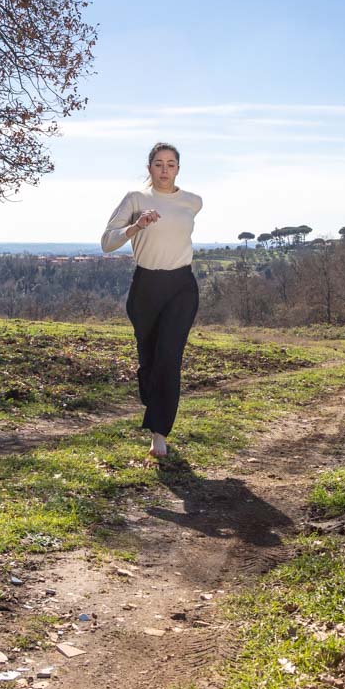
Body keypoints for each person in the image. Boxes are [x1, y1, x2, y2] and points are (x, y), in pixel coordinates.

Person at [101, 142, 202, 460]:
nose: (164, 170)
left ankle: (159, 433)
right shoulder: (136, 199)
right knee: (149, 359)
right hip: (146, 286)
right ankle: (152, 398)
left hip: (181, 286)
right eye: (158, 164)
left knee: (169, 358)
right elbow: (107, 242)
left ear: (178, 169)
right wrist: (136, 226)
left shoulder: (193, 202)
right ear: (149, 168)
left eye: (171, 164)